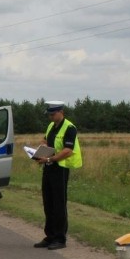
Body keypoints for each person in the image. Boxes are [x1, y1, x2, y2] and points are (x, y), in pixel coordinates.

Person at [32, 101, 82, 250]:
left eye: (53, 114)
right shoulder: (51, 126)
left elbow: (68, 150)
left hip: (60, 168)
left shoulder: (70, 128)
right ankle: (50, 236)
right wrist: (39, 151)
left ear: (61, 112)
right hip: (49, 167)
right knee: (48, 202)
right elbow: (46, 139)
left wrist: (49, 158)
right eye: (49, 115)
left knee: (59, 203)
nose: (51, 117)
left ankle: (60, 238)